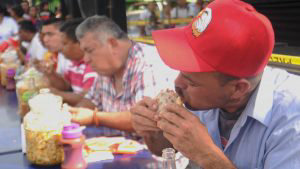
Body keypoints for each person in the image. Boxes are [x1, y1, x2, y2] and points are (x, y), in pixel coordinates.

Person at [130, 0, 300, 169]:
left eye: (191, 82)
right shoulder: (204, 96)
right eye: (181, 71)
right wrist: (153, 130)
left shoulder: (291, 118)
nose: (177, 83)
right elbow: (165, 149)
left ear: (237, 89)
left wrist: (206, 155)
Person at [70, 15, 177, 138]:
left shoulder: (148, 64)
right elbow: (91, 101)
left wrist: (95, 117)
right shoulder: (107, 68)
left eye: (89, 50)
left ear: (112, 43)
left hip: (152, 154)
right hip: (114, 151)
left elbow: (148, 119)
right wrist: (72, 114)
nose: (86, 59)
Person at [44, 18, 97, 106]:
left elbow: (86, 98)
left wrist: (56, 94)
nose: (61, 48)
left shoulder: (91, 66)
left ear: (80, 44)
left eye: (64, 44)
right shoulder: (73, 63)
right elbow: (65, 86)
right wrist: (51, 74)